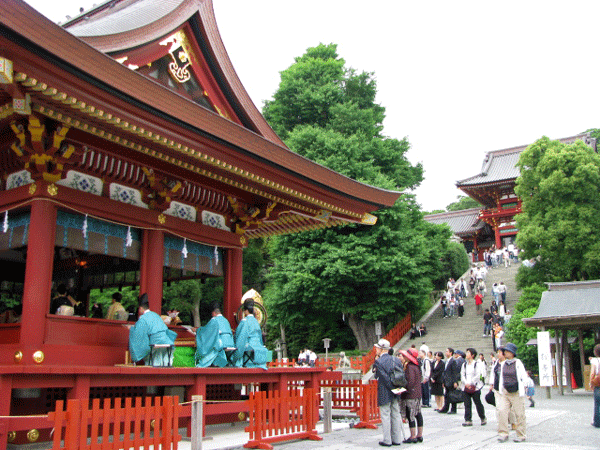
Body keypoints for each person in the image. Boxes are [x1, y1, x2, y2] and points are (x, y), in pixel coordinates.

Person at [128, 294, 177, 366]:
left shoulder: (143, 318)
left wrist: (131, 329)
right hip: (167, 340)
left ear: (141, 308)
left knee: (148, 354)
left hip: (155, 341)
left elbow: (139, 333)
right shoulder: (155, 315)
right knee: (161, 357)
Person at [493, 343, 528, 443]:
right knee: (502, 411)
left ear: (512, 353)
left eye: (507, 351)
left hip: (516, 392)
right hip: (505, 391)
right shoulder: (503, 363)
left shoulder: (518, 363)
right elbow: (501, 378)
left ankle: (521, 434)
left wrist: (525, 387)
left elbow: (523, 376)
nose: (505, 353)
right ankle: (503, 433)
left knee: (519, 413)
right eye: (505, 351)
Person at [372, 339, 401, 447]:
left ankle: (387, 440)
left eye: (377, 348)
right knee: (395, 414)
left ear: (381, 349)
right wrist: (395, 388)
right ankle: (397, 439)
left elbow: (380, 377)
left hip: (385, 390)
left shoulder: (379, 362)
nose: (376, 349)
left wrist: (390, 386)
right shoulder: (396, 359)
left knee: (385, 415)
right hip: (396, 389)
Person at [195, 303, 234, 368]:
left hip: (221, 343)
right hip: (230, 343)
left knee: (210, 345)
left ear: (213, 313)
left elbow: (206, 332)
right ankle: (223, 363)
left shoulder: (214, 320)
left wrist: (197, 330)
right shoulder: (226, 320)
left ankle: (216, 363)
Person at [233, 299, 268, 369]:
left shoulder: (244, 321)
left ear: (245, 311)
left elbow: (240, 338)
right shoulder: (256, 322)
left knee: (236, 349)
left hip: (249, 348)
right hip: (259, 348)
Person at [399, 348, 424, 443]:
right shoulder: (417, 366)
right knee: (418, 414)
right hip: (417, 393)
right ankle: (419, 435)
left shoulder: (409, 367)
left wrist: (403, 388)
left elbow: (410, 382)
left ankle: (413, 436)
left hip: (410, 394)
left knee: (410, 414)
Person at [461, 348, 487, 426]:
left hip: (475, 387)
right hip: (466, 387)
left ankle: (482, 417)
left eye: (468, 353)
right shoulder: (464, 364)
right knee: (467, 403)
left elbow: (478, 375)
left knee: (477, 403)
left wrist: (471, 383)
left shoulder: (476, 364)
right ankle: (468, 419)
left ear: (472, 355)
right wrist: (465, 383)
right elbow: (462, 374)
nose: (466, 354)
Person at [438, 347, 460, 414]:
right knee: (447, 395)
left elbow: (455, 372)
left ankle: (453, 409)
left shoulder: (453, 361)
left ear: (450, 353)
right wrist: (443, 381)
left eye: (447, 351)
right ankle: (445, 408)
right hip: (446, 381)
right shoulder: (446, 361)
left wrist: (455, 382)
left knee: (452, 395)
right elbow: (445, 372)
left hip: (451, 381)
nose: (446, 353)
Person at [590, 344, 600, 427]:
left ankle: (597, 422)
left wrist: (591, 383)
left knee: (597, 403)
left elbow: (592, 373)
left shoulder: (594, 361)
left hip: (598, 383)